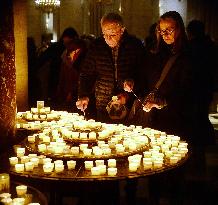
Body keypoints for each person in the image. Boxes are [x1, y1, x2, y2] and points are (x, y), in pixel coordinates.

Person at [76, 12, 145, 123]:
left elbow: (143, 74)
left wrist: (130, 89)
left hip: (129, 106)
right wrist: (83, 95)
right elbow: (86, 74)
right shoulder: (97, 46)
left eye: (112, 34)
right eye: (104, 34)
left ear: (122, 30)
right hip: (103, 105)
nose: (108, 38)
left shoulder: (134, 46)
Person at [55, 37, 87, 112]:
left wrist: (71, 92)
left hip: (76, 95)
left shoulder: (82, 62)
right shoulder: (66, 61)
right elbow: (63, 77)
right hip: (69, 93)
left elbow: (80, 79)